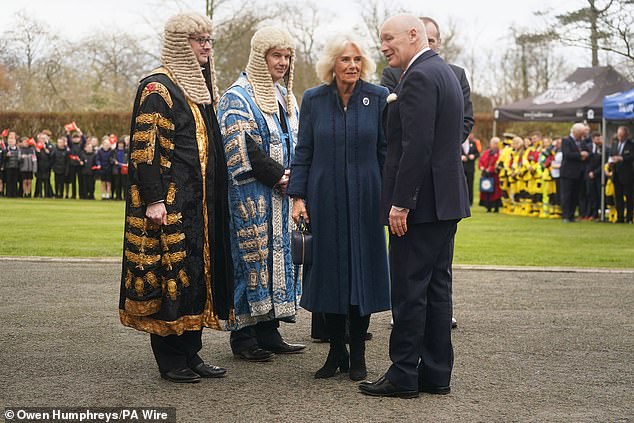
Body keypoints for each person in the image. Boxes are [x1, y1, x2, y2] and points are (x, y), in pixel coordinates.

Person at [119, 12, 234, 384]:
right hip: (169, 204)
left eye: (208, 40)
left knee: (196, 278)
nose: (206, 46)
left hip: (199, 208)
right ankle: (170, 359)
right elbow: (145, 150)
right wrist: (154, 200)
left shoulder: (199, 89)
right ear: (179, 43)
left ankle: (191, 352)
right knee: (171, 275)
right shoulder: (158, 88)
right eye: (198, 39)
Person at [359, 14, 470, 399]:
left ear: (413, 35)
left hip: (420, 206)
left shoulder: (419, 77)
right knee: (438, 289)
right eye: (381, 39)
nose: (384, 45)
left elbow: (416, 147)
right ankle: (437, 373)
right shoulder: (445, 73)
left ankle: (403, 373)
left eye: (389, 38)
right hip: (446, 202)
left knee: (409, 290)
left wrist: (401, 203)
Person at [287, 33, 390, 381]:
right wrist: (298, 198)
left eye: (357, 60)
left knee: (362, 272)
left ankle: (358, 354)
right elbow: (303, 152)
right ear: (332, 64)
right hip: (324, 199)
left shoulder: (377, 98)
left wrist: (390, 199)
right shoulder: (314, 99)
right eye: (345, 59)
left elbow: (385, 152)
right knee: (329, 275)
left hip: (366, 200)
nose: (352, 66)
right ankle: (335, 351)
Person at [217, 26, 304, 363]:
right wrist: (278, 175)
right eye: (275, 56)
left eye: (286, 56)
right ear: (260, 56)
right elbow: (240, 146)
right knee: (250, 260)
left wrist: (297, 176)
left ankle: (269, 331)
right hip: (252, 193)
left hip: (283, 195)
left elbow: (294, 141)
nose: (282, 62)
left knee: (277, 260)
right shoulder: (237, 95)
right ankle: (243, 337)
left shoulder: (286, 95)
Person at [380, 16, 474, 144]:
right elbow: (390, 120)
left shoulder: (456, 74)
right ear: (413, 37)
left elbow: (465, 119)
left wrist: (441, 147)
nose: (426, 45)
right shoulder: (392, 73)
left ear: (439, 43)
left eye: (430, 41)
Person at [560, 123, 590, 222]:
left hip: (579, 172)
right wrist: (579, 155)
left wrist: (586, 154)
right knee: (567, 194)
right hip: (568, 172)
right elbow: (567, 154)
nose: (582, 136)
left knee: (575, 195)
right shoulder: (566, 141)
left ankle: (572, 215)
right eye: (580, 133)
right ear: (575, 132)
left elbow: (587, 151)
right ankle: (566, 215)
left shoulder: (582, 142)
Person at [609, 126, 633, 223]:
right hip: (616, 174)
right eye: (619, 135)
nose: (620, 137)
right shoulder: (614, 145)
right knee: (618, 197)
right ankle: (620, 217)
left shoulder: (631, 145)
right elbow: (611, 155)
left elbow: (631, 156)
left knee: (629, 196)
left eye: (622, 136)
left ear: (626, 135)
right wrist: (611, 162)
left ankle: (629, 217)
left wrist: (622, 158)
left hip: (627, 175)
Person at [478, 137, 502, 212]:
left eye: (494, 143)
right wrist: (482, 167)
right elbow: (481, 160)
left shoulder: (499, 153)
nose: (492, 145)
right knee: (486, 191)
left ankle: (496, 207)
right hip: (486, 174)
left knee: (495, 192)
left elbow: (497, 163)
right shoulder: (487, 152)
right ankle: (488, 207)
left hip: (494, 175)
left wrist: (491, 169)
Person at [585, 132, 604, 220]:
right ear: (593, 139)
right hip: (589, 174)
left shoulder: (604, 149)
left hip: (599, 175)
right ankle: (591, 213)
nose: (598, 140)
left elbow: (604, 163)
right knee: (590, 194)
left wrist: (595, 172)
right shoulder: (587, 147)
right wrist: (589, 172)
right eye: (597, 139)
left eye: (599, 138)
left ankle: (599, 213)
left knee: (599, 194)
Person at [66, 129, 86, 199]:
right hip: (72, 164)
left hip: (79, 165)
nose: (76, 139)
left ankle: (81, 194)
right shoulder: (71, 145)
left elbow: (84, 140)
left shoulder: (81, 146)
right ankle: (73, 194)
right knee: (73, 181)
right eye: (74, 138)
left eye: (77, 138)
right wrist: (68, 133)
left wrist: (80, 132)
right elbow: (68, 140)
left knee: (81, 181)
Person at [34, 132, 54, 198]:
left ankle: (46, 194)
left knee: (46, 180)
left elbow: (52, 156)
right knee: (39, 181)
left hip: (47, 166)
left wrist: (47, 151)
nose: (42, 140)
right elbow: (35, 157)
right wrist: (38, 152)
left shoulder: (49, 146)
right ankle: (40, 194)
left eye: (44, 138)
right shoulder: (37, 147)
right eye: (41, 138)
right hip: (39, 166)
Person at [461, 133, 480, 205]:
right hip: (461, 167)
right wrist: (461, 157)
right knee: (461, 184)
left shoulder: (473, 143)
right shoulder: (458, 144)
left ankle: (470, 202)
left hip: (470, 167)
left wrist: (473, 156)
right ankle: (462, 201)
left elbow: (477, 153)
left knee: (470, 184)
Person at [3, 132, 20, 197]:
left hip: (15, 167)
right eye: (9, 141)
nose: (11, 142)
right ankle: (8, 194)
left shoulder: (18, 149)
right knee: (8, 181)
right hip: (8, 167)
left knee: (15, 181)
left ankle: (15, 194)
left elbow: (19, 158)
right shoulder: (6, 149)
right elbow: (3, 159)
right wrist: (6, 156)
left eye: (12, 141)